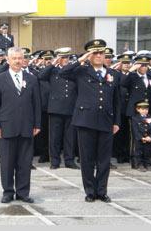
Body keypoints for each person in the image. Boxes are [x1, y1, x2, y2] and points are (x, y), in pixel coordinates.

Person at [59, 39, 120, 203]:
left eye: (101, 52)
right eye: (95, 52)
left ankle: (102, 191)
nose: (99, 55)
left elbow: (117, 101)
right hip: (85, 120)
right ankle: (90, 191)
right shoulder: (81, 71)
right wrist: (81, 59)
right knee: (87, 159)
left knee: (104, 159)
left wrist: (117, 122)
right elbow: (62, 73)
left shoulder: (113, 74)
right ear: (90, 54)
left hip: (106, 121)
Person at [0, 47, 41, 204]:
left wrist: (37, 124)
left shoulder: (31, 78)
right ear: (8, 60)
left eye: (20, 58)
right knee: (7, 162)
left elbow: (37, 103)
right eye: (15, 58)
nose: (18, 61)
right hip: (6, 127)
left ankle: (23, 192)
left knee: (25, 162)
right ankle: (7, 192)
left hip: (27, 126)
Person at [37, 47, 79, 170]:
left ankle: (69, 160)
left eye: (67, 57)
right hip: (55, 108)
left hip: (71, 107)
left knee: (69, 137)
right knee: (54, 137)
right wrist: (52, 64)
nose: (65, 60)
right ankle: (54, 161)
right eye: (62, 57)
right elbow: (41, 76)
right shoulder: (53, 70)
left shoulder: (74, 70)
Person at [120, 54, 151, 169]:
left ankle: (147, 161)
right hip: (134, 112)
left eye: (145, 65)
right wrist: (131, 70)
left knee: (148, 136)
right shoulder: (132, 76)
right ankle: (136, 161)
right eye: (141, 65)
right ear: (137, 66)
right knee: (135, 138)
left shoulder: (150, 77)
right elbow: (122, 82)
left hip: (147, 111)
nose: (143, 68)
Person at [130, 100, 151, 172]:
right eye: (142, 109)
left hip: (148, 139)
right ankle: (139, 164)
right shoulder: (134, 118)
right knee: (138, 152)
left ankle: (147, 164)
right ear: (137, 109)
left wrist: (150, 137)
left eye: (146, 109)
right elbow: (135, 129)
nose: (145, 111)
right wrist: (141, 137)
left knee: (148, 151)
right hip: (139, 139)